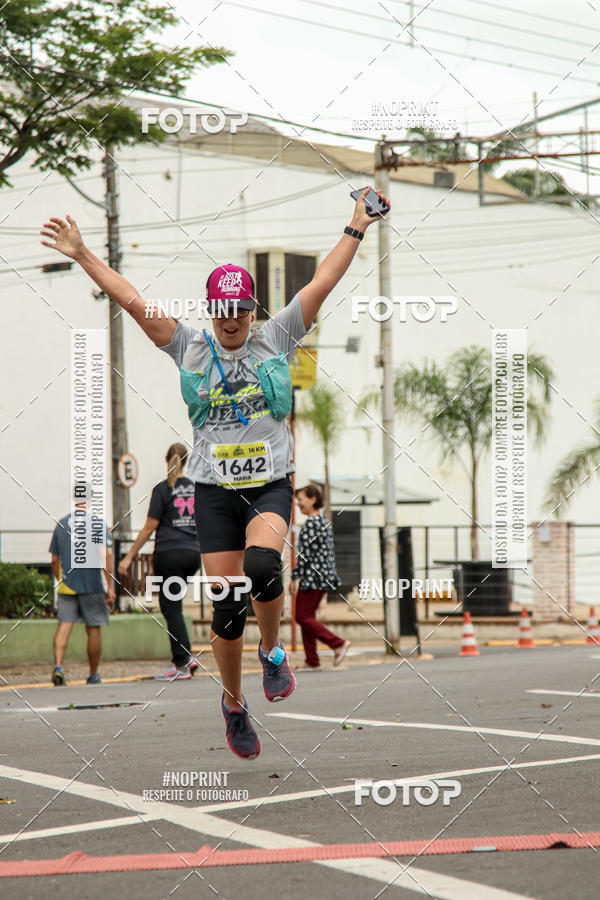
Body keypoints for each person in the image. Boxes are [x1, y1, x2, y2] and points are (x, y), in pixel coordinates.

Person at [40, 186, 390, 758]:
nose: (231, 321)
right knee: (227, 607)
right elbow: (131, 300)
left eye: (241, 311)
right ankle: (233, 703)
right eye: (222, 311)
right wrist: (82, 254)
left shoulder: (276, 338)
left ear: (254, 311)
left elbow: (323, 280)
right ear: (211, 312)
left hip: (269, 487)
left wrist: (357, 224)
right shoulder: (190, 348)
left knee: (263, 567)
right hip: (213, 493)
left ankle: (273, 653)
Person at [118, 443, 200, 680]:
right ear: (186, 461)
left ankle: (183, 663)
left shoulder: (163, 489)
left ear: (167, 459)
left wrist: (130, 555)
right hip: (192, 554)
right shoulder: (196, 489)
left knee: (171, 607)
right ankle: (185, 657)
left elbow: (150, 527)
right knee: (175, 605)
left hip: (169, 554)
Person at [49, 488, 115, 685]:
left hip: (67, 585)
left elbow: (54, 558)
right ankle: (93, 674)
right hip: (92, 584)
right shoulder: (97, 524)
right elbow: (106, 556)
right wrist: (110, 586)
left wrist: (59, 578)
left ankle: (58, 666)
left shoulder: (61, 525)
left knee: (64, 625)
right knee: (93, 628)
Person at [290, 484, 350, 669]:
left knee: (301, 616)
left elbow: (305, 555)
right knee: (306, 616)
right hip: (322, 576)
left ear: (313, 499)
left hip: (312, 577)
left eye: (301, 499)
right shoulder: (323, 521)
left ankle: (337, 643)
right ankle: (312, 660)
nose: (298, 503)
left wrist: (294, 577)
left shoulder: (311, 524)